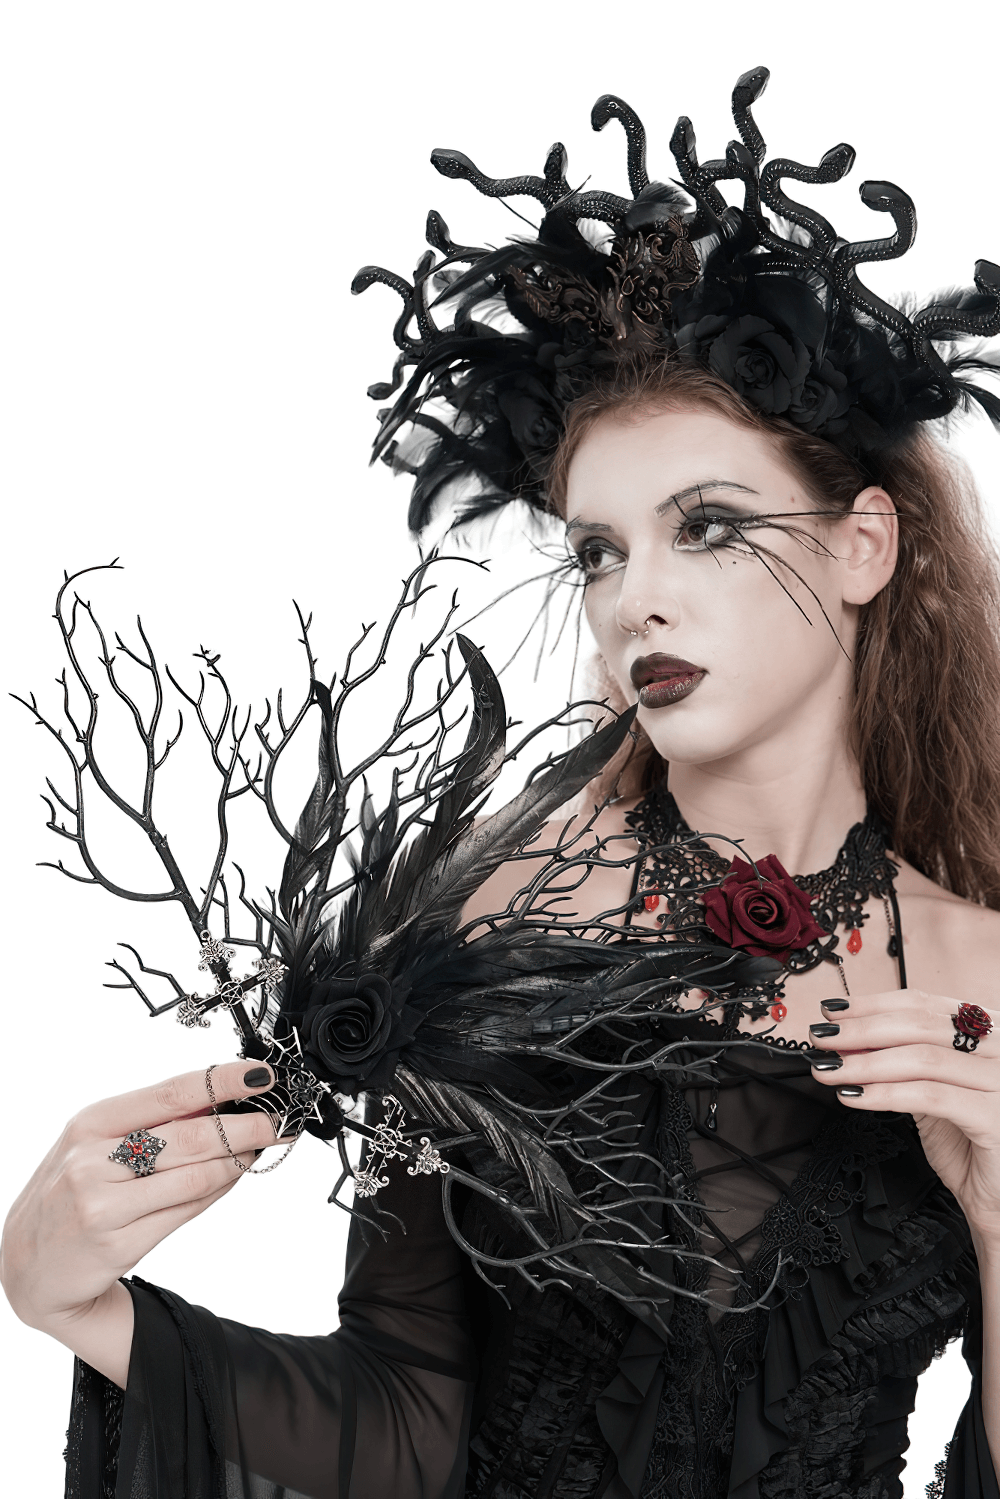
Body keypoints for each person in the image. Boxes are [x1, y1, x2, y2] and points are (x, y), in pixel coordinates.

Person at [3, 67, 1000, 1499]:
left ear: (862, 546)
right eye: (599, 551)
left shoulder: (983, 978)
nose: (633, 600)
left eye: (705, 526)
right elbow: (405, 1421)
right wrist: (83, 1306)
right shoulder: (479, 928)